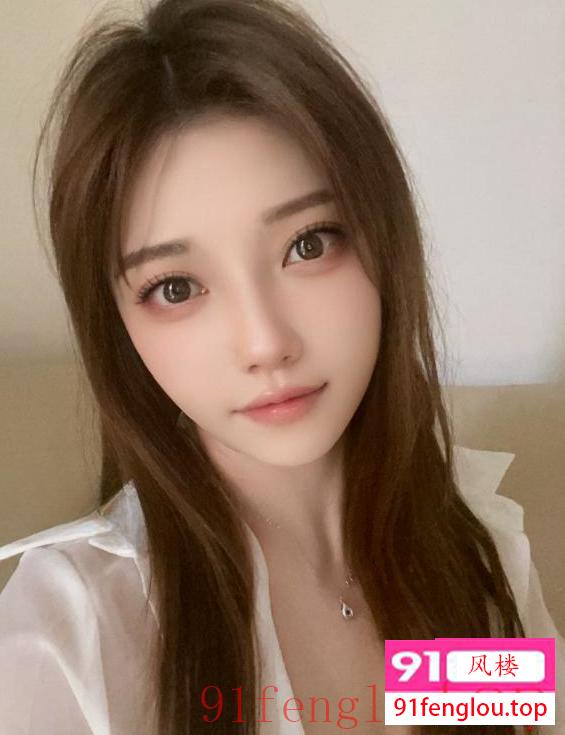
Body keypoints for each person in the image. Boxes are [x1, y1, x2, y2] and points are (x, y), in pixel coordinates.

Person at [0, 1, 562, 733]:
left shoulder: (470, 551)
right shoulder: (70, 632)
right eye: (177, 287)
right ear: (118, 327)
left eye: (309, 244)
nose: (265, 343)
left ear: (383, 238)